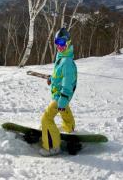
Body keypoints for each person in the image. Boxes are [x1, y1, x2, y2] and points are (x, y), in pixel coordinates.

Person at [39, 27, 78, 156]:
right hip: (61, 96)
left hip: (60, 96)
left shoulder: (66, 62)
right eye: (57, 42)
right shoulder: (62, 57)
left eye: (62, 43)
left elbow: (67, 84)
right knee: (64, 110)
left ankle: (52, 147)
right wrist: (52, 79)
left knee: (46, 118)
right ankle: (69, 127)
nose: (59, 46)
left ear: (68, 42)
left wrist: (61, 101)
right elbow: (59, 76)